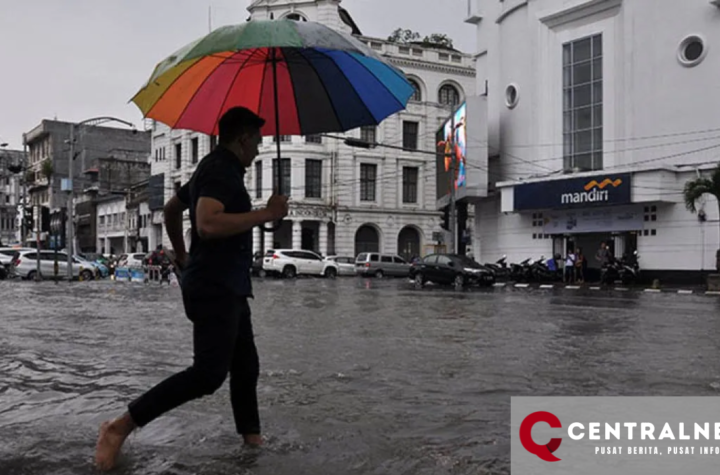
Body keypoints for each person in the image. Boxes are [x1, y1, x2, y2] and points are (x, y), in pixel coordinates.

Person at [94, 107, 289, 471]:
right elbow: (208, 224)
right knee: (208, 374)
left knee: (246, 367)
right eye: (258, 142)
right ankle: (119, 427)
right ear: (244, 139)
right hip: (216, 285)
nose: (260, 150)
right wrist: (266, 214)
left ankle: (252, 444)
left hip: (226, 284)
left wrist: (182, 257)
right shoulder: (220, 171)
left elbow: (170, 209)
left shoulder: (215, 167)